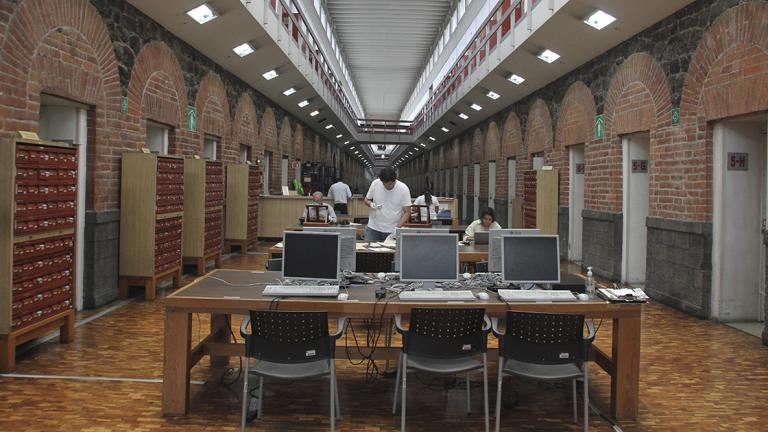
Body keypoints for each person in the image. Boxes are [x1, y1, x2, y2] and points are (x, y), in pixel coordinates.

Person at [363, 167, 412, 241]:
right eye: (384, 184)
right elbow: (366, 200)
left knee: (392, 252)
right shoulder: (375, 184)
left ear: (394, 180)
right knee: (368, 251)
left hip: (392, 229)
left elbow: (407, 211)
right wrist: (370, 204)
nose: (387, 187)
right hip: (373, 228)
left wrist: (397, 228)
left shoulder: (403, 189)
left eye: (389, 184)